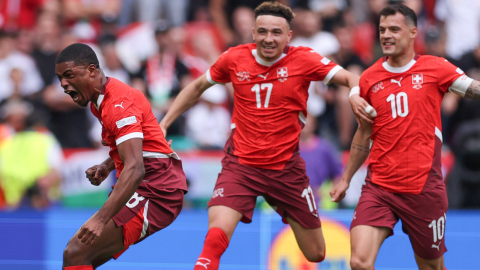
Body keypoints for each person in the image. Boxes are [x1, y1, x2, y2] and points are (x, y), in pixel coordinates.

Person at [159, 2, 361, 269]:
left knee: (316, 254)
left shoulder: (304, 59)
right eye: (262, 31)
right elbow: (196, 87)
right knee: (215, 239)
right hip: (241, 166)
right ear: (253, 32)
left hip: (286, 170)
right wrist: (163, 125)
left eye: (276, 32)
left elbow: (350, 77)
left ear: (289, 35)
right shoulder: (234, 58)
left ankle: (279, 204)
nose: (269, 38)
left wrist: (355, 94)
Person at [331, 4, 480, 270]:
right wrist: (345, 179)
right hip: (380, 188)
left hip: (424, 190)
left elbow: (472, 89)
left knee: (431, 267)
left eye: (394, 29)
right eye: (382, 29)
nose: (386, 35)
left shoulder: (435, 68)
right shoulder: (369, 79)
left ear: (413, 32)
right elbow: (363, 135)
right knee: (359, 262)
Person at [55, 43, 188, 270]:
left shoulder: (118, 104)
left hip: (156, 192)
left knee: (75, 253)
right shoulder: (101, 99)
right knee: (84, 259)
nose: (63, 84)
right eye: (60, 79)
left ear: (91, 71)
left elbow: (136, 168)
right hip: (147, 185)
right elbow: (137, 144)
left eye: (69, 76)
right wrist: (107, 165)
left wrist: (100, 219)